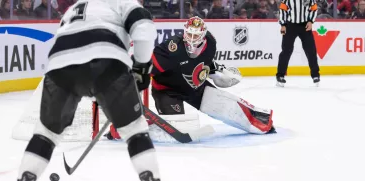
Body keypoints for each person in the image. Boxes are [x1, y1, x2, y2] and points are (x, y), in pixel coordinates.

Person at [16, 0, 160, 181]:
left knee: (46, 133)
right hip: (106, 60)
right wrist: (142, 65)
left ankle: (27, 176)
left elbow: (72, 48)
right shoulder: (122, 2)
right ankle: (151, 177)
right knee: (135, 130)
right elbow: (143, 26)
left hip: (59, 65)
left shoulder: (72, 9)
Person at [106, 17, 275, 141]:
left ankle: (261, 122)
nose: (192, 39)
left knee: (228, 106)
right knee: (174, 130)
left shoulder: (211, 42)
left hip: (196, 88)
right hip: (168, 92)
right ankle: (124, 129)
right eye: (189, 34)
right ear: (184, 32)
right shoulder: (172, 49)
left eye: (196, 36)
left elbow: (205, 63)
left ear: (203, 35)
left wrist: (216, 73)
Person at [277, 0, 320, 87]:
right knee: (286, 50)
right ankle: (280, 75)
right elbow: (282, 10)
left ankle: (315, 75)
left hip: (305, 25)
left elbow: (314, 8)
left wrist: (310, 21)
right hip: (290, 25)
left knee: (311, 50)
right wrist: (283, 24)